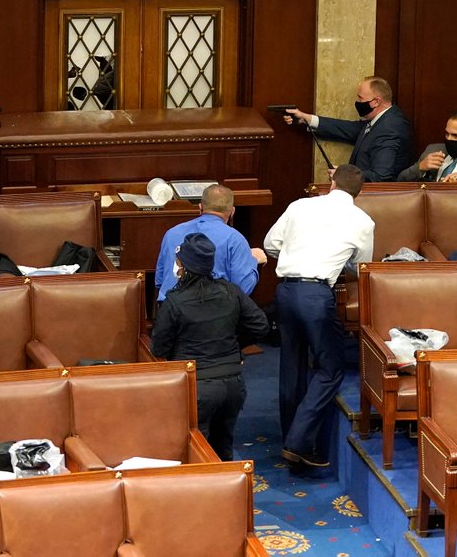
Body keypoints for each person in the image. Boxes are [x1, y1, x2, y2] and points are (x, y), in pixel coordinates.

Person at [263, 164, 374, 469]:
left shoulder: (300, 206)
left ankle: (290, 437)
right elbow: (360, 267)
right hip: (317, 296)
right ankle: (298, 442)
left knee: (292, 365)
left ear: (332, 182)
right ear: (358, 193)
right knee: (330, 368)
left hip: (285, 292)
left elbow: (271, 244)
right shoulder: (363, 221)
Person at [150, 232, 270, 461]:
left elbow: (159, 349)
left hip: (197, 386)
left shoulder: (175, 301)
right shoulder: (230, 291)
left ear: (182, 265)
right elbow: (261, 326)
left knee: (196, 456)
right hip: (233, 384)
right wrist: (236, 347)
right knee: (223, 449)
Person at [282, 76, 415, 182]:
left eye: (360, 98)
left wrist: (345, 175)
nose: (357, 101)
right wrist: (306, 118)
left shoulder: (390, 128)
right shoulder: (383, 119)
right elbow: (346, 129)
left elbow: (381, 176)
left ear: (376, 102)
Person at [154, 184, 267, 302]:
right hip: (210, 314)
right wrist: (253, 260)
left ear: (200, 207)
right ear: (232, 211)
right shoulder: (235, 239)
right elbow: (243, 288)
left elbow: (160, 281)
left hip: (169, 311)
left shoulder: (171, 234)